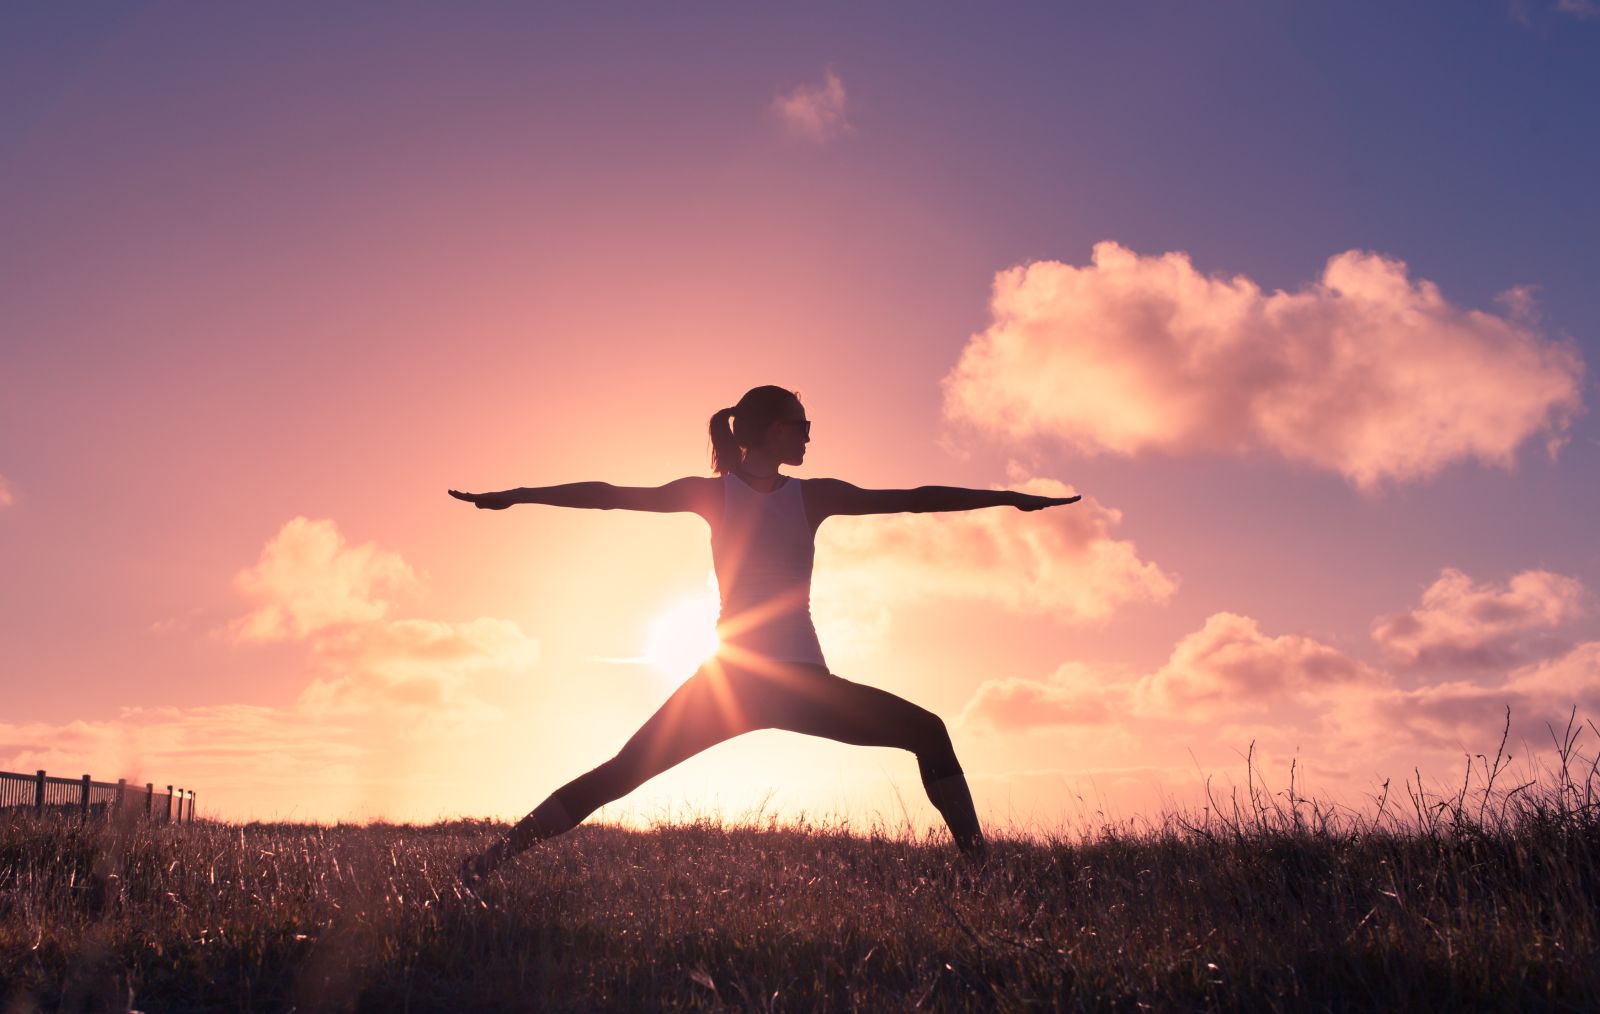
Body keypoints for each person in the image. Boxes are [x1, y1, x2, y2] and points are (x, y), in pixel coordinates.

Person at [448, 385, 1079, 881]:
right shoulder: (720, 493)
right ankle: (984, 875)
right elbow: (610, 495)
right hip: (771, 681)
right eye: (802, 425)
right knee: (620, 774)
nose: (810, 435)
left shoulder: (809, 495)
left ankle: (481, 866)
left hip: (740, 681)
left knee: (620, 774)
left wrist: (1007, 496)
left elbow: (913, 497)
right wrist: (517, 495)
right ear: (773, 430)